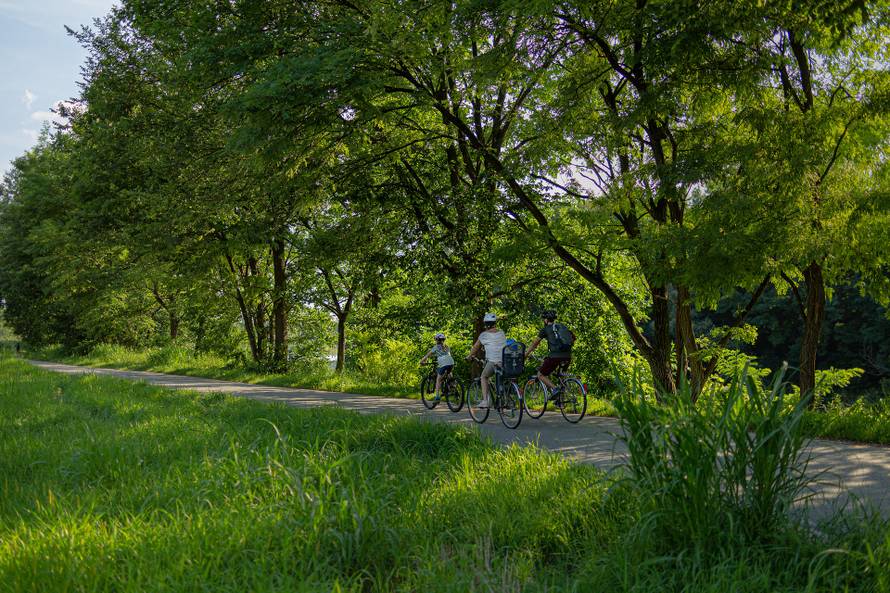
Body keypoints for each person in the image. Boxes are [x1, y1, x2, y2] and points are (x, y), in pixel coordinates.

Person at [525, 310, 573, 404]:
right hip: (568, 356)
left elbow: (535, 344)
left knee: (540, 375)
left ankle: (555, 389)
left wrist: (525, 355)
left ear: (546, 320)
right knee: (561, 375)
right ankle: (561, 400)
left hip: (555, 356)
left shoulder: (546, 329)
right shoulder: (562, 326)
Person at [466, 313, 506, 408]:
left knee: (484, 377)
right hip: (505, 361)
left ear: (485, 324)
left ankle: (485, 401)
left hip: (493, 362)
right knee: (500, 377)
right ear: (495, 323)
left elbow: (475, 347)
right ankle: (504, 397)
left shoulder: (484, 335)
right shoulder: (501, 333)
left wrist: (469, 356)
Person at [419, 333, 455, 400]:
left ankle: (437, 396)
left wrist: (422, 361)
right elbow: (447, 355)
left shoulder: (435, 347)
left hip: (443, 362)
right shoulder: (447, 346)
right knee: (449, 372)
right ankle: (452, 386)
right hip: (451, 362)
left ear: (436, 340)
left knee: (438, 379)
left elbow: (427, 355)